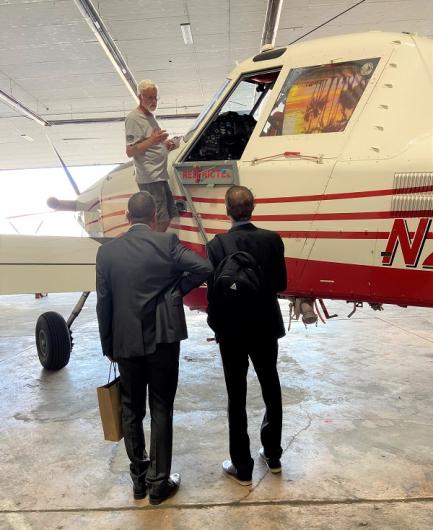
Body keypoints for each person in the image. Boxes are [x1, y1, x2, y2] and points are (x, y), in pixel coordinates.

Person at [96, 191, 212, 504]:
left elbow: (103, 303)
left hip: (125, 340)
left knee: (131, 409)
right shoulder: (167, 242)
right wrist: (176, 291)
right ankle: (159, 483)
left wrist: (108, 343)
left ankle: (138, 481)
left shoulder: (107, 253)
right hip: (163, 338)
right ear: (154, 218)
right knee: (162, 407)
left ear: (126, 216)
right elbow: (204, 268)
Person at [206, 185, 287, 485]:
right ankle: (274, 455)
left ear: (226, 210)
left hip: (231, 331)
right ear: (254, 206)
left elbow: (212, 292)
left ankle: (242, 468)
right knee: (271, 387)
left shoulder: (216, 245)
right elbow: (280, 283)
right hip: (265, 326)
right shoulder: (272, 239)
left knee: (236, 395)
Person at [125, 79, 178, 232]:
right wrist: (154, 140)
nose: (154, 101)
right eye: (150, 98)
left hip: (159, 175)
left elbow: (150, 142)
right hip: (150, 177)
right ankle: (155, 248)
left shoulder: (149, 116)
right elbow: (130, 151)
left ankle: (156, 244)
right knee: (160, 218)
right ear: (140, 97)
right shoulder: (133, 118)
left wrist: (164, 144)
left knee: (170, 213)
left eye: (155, 97)